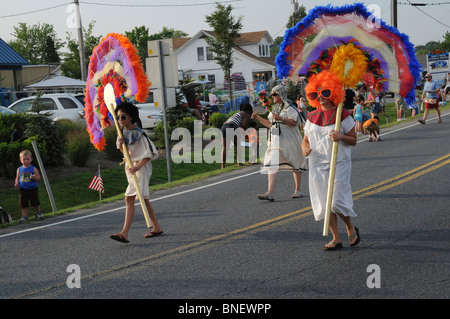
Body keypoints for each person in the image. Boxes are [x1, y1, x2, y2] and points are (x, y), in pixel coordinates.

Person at [301, 70, 359, 251]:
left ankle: (350, 226)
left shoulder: (343, 114)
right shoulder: (311, 117)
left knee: (336, 201)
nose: (320, 97)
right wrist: (304, 148)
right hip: (317, 163)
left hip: (338, 161)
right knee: (324, 203)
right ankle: (336, 238)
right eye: (315, 94)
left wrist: (341, 136)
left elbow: (354, 140)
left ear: (332, 92)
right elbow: (306, 139)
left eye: (325, 92)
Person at [109, 102, 163, 243]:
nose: (120, 119)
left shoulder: (139, 134)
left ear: (131, 117)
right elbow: (126, 153)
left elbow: (149, 153)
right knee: (143, 199)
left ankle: (124, 233)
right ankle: (156, 227)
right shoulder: (121, 133)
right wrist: (121, 144)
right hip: (130, 167)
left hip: (141, 168)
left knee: (129, 198)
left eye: (123, 116)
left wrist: (138, 166)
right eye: (118, 116)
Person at [252, 85, 307, 201]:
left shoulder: (290, 107)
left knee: (295, 164)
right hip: (276, 140)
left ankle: (298, 190)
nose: (272, 97)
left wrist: (281, 119)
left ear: (281, 94)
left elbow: (295, 122)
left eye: (274, 94)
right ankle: (270, 192)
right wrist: (258, 118)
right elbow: (270, 123)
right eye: (271, 95)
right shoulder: (274, 109)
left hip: (290, 139)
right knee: (272, 163)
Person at [14, 150, 44, 222]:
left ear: (31, 159)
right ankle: (24, 216)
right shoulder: (19, 169)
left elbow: (39, 178)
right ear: (20, 160)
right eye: (24, 159)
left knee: (35, 201)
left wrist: (33, 177)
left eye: (27, 159)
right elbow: (17, 178)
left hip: (32, 188)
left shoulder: (33, 169)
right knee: (23, 203)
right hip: (23, 189)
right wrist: (16, 183)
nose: (26, 161)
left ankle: (38, 213)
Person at [221, 103, 253, 169]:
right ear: (249, 110)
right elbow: (243, 125)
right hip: (232, 126)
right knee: (237, 145)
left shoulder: (237, 114)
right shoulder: (246, 114)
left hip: (224, 126)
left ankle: (223, 166)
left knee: (225, 147)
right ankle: (239, 163)